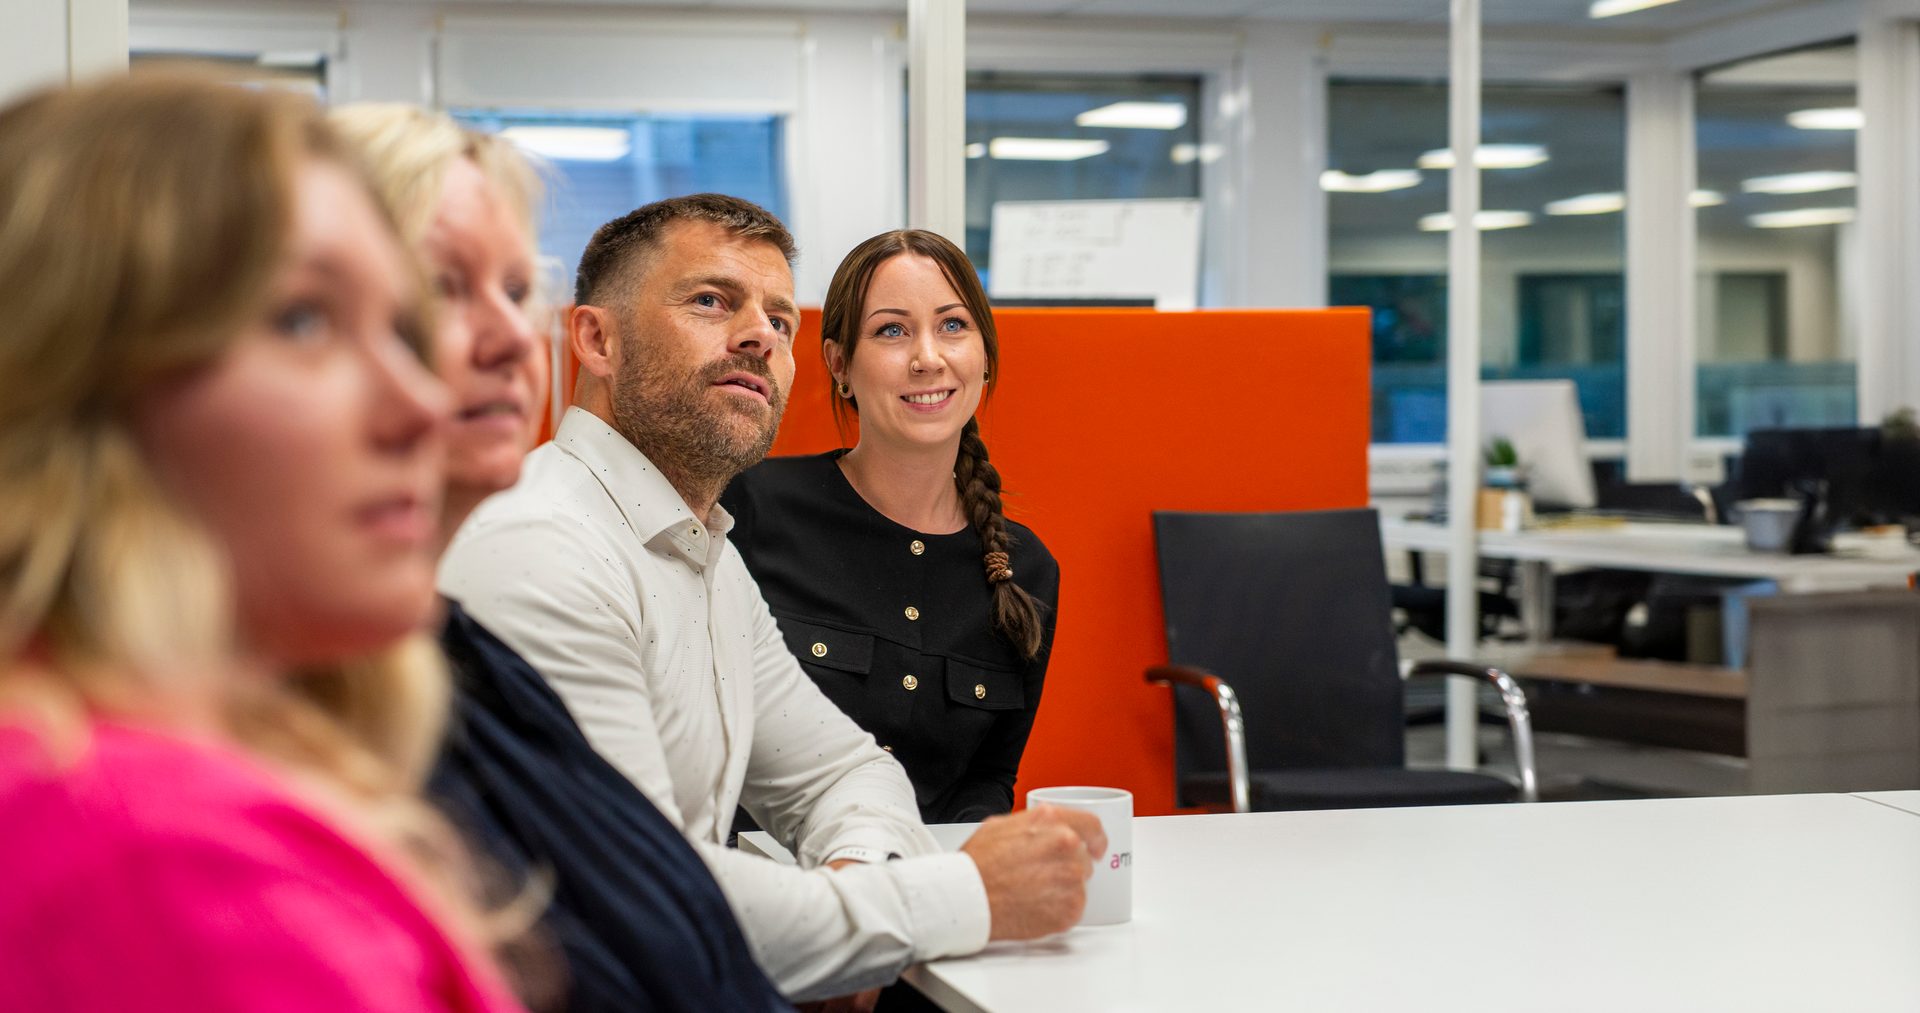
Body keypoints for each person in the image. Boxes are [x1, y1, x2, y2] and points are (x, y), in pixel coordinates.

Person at [438, 194, 1105, 1004]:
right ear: (596, 339)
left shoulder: (705, 555)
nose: (759, 333)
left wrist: (854, 902)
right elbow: (647, 904)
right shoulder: (545, 549)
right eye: (712, 300)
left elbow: (846, 770)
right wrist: (959, 898)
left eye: (780, 318)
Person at [0, 74, 527, 1011]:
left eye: (400, 330)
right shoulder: (150, 859)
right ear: (75, 380)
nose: (421, 405)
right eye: (303, 319)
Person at [333, 105, 792, 1012]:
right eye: (438, 287)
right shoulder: (533, 550)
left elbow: (658, 920)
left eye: (514, 290)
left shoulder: (449, 651)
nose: (509, 336)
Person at [721, 230, 1058, 826]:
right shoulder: (751, 508)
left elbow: (990, 778)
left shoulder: (1025, 570)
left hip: (927, 888)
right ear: (839, 364)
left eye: (953, 325)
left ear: (985, 358)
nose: (928, 357)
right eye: (892, 330)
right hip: (775, 882)